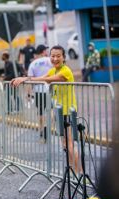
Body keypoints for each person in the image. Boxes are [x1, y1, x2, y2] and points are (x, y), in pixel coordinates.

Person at [11, 45, 80, 174]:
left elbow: (45, 79)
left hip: (68, 112)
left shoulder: (65, 71)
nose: (55, 58)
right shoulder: (53, 70)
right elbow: (43, 78)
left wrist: (26, 78)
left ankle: (80, 173)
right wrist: (24, 81)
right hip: (58, 111)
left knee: (70, 144)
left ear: (64, 57)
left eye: (58, 56)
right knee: (64, 144)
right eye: (52, 56)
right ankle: (72, 173)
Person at [27, 44, 52, 143]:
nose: (47, 52)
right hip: (49, 90)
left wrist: (28, 94)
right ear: (43, 51)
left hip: (38, 91)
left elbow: (29, 80)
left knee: (40, 113)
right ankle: (46, 126)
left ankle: (42, 131)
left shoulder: (33, 64)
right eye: (46, 50)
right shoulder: (50, 61)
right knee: (51, 111)